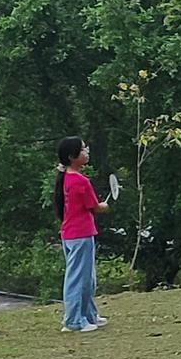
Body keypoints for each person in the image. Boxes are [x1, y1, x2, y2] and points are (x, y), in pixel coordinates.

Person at [55, 136, 109, 331]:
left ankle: (89, 315)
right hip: (80, 234)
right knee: (78, 278)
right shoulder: (80, 181)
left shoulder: (66, 178)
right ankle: (74, 321)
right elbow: (94, 207)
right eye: (83, 149)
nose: (87, 151)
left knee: (87, 277)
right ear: (72, 156)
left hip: (71, 233)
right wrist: (105, 206)